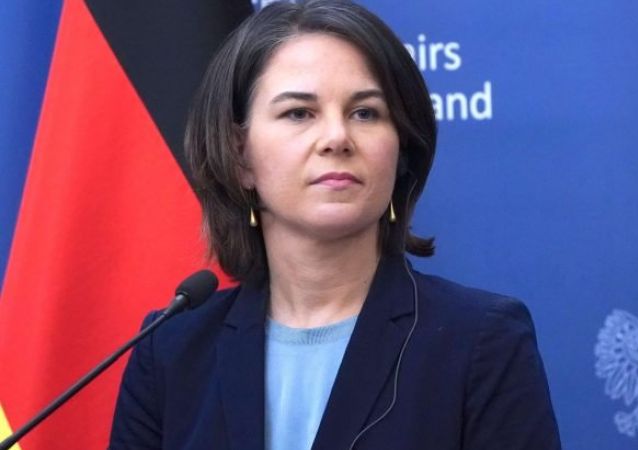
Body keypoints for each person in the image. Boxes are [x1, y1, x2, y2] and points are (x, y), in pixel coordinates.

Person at [109, 1, 561, 449]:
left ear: (401, 151)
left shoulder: (481, 340)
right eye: (299, 113)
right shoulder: (171, 349)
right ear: (239, 155)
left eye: (365, 113)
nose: (337, 138)